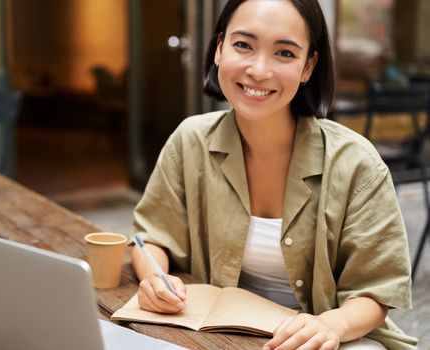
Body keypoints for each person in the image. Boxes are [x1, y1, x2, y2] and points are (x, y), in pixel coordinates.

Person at [130, 0, 416, 349]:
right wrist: (155, 280)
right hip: (214, 333)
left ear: (308, 66)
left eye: (284, 53)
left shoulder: (356, 164)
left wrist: (331, 325)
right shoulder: (190, 140)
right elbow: (152, 238)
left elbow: (377, 291)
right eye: (243, 45)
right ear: (219, 49)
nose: (259, 70)